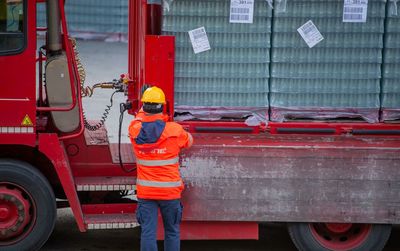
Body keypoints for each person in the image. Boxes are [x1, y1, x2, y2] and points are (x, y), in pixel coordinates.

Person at [129, 86, 193, 251]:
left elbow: (139, 119)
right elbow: (189, 141)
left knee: (148, 232)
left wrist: (143, 108)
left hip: (146, 193)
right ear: (162, 106)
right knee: (172, 232)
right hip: (170, 193)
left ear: (144, 107)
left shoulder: (135, 130)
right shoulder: (174, 130)